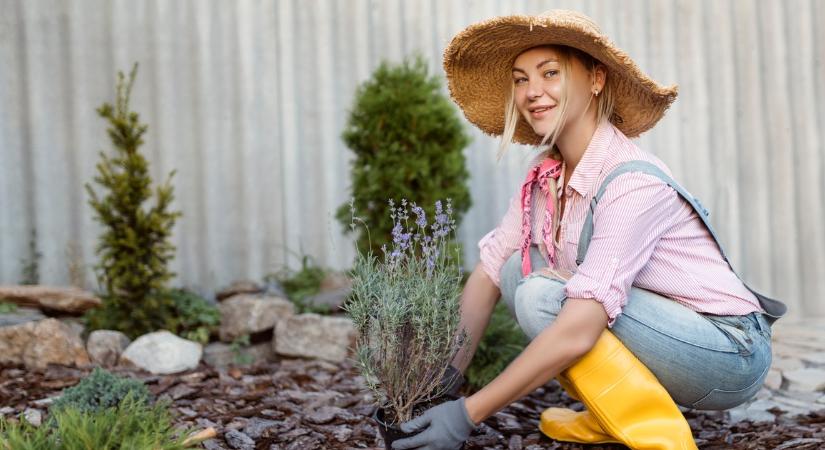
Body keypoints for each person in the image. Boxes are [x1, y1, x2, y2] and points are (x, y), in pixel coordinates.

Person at [390, 10, 786, 450]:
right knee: (512, 270)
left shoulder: (632, 181)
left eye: (550, 73)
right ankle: (610, 417)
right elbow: (488, 271)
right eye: (521, 79)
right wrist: (442, 383)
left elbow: (579, 329)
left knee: (542, 296)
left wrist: (467, 415)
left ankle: (662, 438)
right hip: (666, 331)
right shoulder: (545, 176)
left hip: (729, 350)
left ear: (595, 79)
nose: (531, 92)